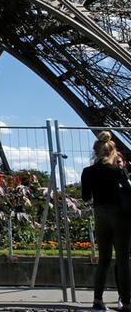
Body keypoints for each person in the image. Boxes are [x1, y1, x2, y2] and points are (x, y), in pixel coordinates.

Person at [81, 131, 131, 311]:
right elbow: (128, 190)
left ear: (96, 152)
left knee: (103, 260)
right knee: (123, 260)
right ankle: (126, 303)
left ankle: (97, 301)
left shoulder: (88, 172)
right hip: (120, 216)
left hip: (100, 215)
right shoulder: (118, 171)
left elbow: (85, 197)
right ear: (112, 152)